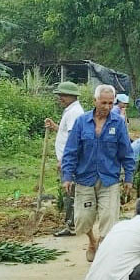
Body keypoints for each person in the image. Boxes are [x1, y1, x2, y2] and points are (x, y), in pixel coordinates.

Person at [61, 84, 137, 262]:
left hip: (109, 179)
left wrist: (128, 177)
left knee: (109, 217)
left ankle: (102, 247)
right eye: (103, 102)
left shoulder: (118, 123)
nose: (107, 107)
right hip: (85, 178)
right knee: (83, 218)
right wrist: (67, 176)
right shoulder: (81, 122)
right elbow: (71, 151)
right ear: (95, 101)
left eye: (111, 103)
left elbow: (126, 152)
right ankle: (92, 241)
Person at [46, 81, 85, 238]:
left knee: (70, 192)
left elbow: (73, 139)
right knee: (71, 191)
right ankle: (73, 223)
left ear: (71, 96)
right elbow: (67, 133)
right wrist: (55, 127)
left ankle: (72, 225)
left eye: (62, 95)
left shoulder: (74, 112)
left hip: (70, 161)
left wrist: (63, 160)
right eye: (59, 95)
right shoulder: (71, 111)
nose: (60, 98)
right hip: (69, 160)